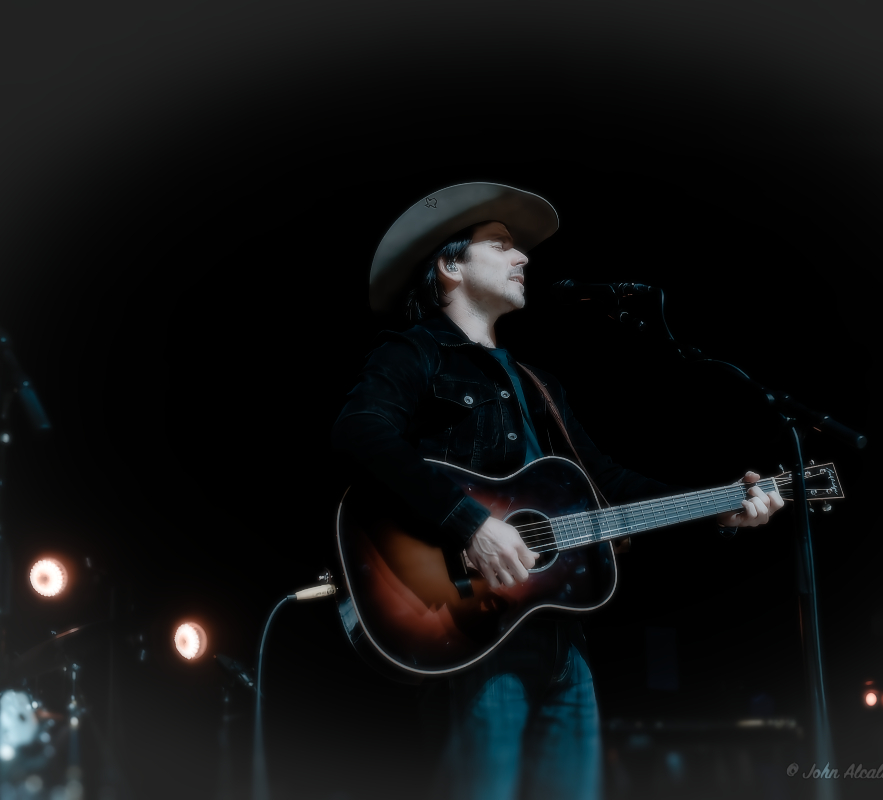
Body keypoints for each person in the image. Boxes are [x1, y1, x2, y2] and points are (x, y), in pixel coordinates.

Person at [331, 183, 784, 800]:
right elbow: (360, 429)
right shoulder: (416, 354)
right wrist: (469, 523)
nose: (524, 259)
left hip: (562, 640)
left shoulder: (536, 383)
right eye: (502, 244)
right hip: (474, 635)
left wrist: (723, 503)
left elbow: (609, 485)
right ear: (451, 265)